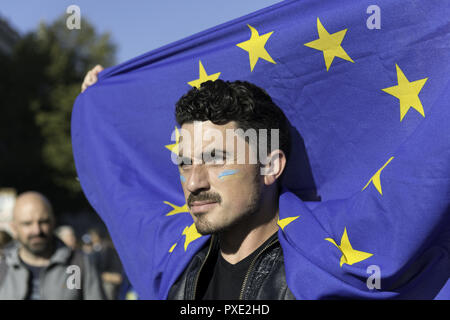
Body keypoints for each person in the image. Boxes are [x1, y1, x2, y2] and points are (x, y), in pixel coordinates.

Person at [81, 67, 294, 300]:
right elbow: (122, 194)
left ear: (270, 166)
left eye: (215, 159)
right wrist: (96, 104)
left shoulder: (317, 279)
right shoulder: (176, 266)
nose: (193, 182)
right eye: (184, 163)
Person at [0, 191, 106, 299]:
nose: (37, 230)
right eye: (27, 223)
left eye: (43, 222)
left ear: (53, 222)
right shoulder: (3, 268)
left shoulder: (78, 265)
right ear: (14, 228)